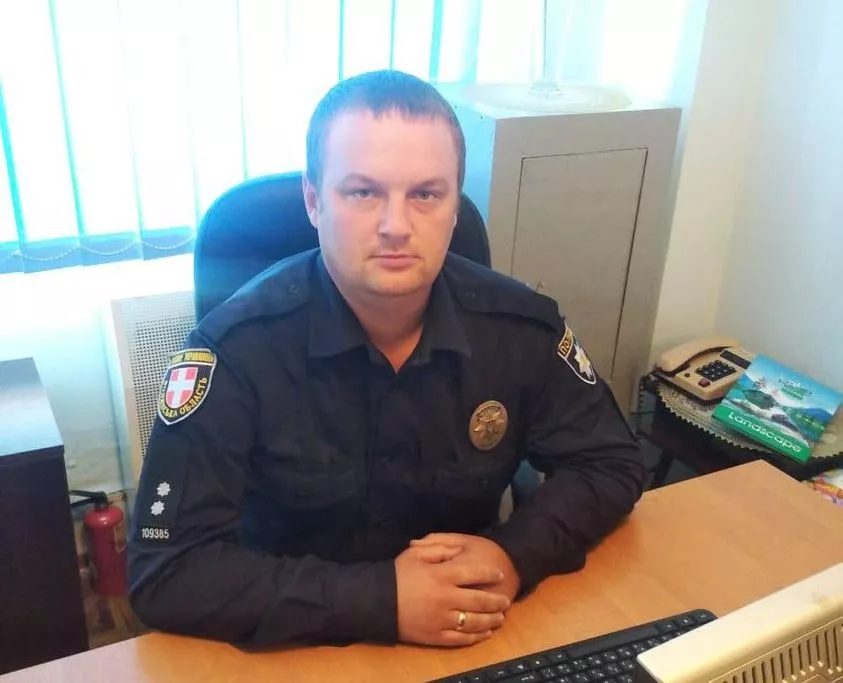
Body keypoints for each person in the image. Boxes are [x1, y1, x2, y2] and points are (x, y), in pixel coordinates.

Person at [128, 69, 647, 649]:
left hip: (473, 630)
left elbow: (612, 462)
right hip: (299, 648)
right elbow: (167, 571)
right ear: (314, 201)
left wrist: (513, 554)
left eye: (426, 194)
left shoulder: (519, 328)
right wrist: (383, 601)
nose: (396, 226)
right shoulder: (233, 352)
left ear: (455, 207)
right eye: (362, 192)